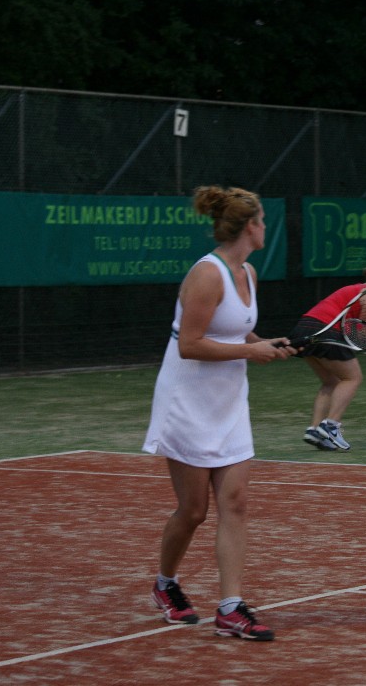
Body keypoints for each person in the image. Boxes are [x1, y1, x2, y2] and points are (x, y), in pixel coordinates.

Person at [142, 185, 295, 641]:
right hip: (187, 400)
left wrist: (266, 344)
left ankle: (230, 608)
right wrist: (251, 353)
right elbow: (189, 345)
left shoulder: (248, 272)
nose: (266, 228)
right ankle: (165, 583)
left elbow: (237, 331)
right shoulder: (207, 275)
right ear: (249, 226)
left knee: (236, 503)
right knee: (193, 511)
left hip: (229, 402)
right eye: (262, 221)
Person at [289, 261, 366, 451]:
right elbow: (362, 335)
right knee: (353, 378)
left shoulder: (364, 292)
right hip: (324, 330)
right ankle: (331, 426)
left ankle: (315, 430)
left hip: (304, 329)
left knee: (331, 382)